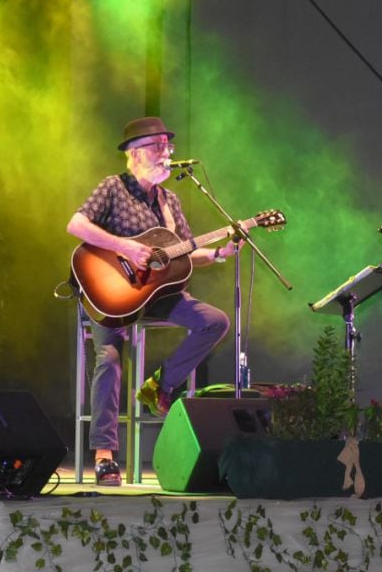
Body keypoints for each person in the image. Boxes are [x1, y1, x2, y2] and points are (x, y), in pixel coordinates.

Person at [67, 116, 237, 486]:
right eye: (159, 146)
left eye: (168, 146)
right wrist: (126, 246)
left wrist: (220, 253)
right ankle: (104, 455)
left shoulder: (169, 200)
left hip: (157, 294)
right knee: (109, 358)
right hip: (109, 294)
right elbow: (76, 225)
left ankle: (161, 385)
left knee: (215, 321)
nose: (167, 154)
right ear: (134, 153)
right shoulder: (113, 188)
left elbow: (184, 254)